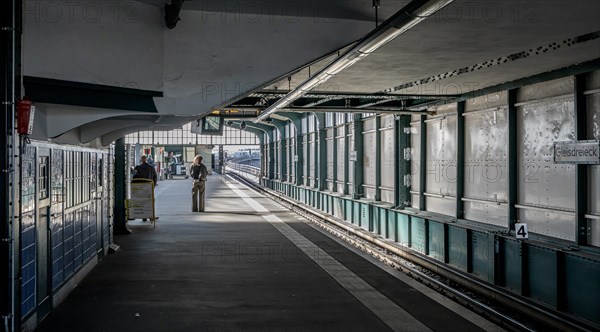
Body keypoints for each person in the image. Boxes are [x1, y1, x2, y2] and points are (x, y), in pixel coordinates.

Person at [132, 155, 158, 221]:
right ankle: (151, 216)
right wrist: (153, 185)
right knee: (150, 201)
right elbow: (155, 177)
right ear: (146, 159)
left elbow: (134, 177)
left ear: (141, 159)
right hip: (149, 186)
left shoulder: (138, 167)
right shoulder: (151, 167)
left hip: (140, 187)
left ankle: (144, 217)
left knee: (142, 201)